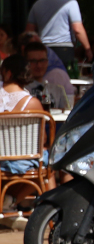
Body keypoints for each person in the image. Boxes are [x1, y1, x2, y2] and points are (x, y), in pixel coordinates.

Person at [0, 55, 49, 208]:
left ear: (8, 73)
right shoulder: (33, 103)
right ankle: (12, 200)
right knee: (49, 160)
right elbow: (42, 139)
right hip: (24, 158)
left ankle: (7, 200)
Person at [26, 0, 90, 70]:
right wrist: (87, 48)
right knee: (62, 80)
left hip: (43, 49)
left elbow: (29, 31)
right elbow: (77, 29)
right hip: (64, 49)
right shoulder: (70, 3)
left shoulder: (37, 4)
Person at [23, 41, 71, 111]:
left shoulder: (58, 90)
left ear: (47, 62)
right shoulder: (21, 90)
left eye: (42, 60)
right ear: (26, 63)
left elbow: (66, 112)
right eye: (33, 61)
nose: (39, 65)